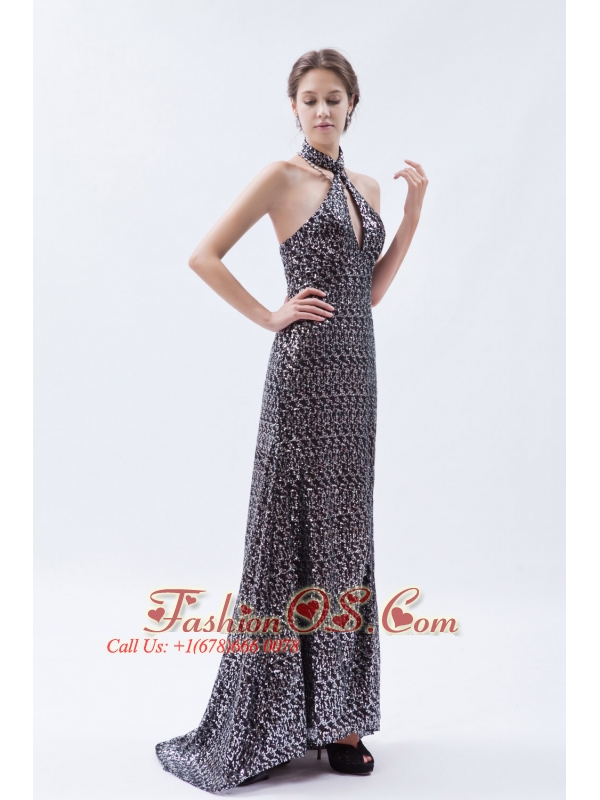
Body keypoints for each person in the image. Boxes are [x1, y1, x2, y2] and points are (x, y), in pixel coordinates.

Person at [155, 48, 428, 792]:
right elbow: (205, 256)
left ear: (352, 104)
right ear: (294, 107)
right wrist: (270, 315)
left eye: (334, 98)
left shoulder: (366, 187)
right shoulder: (282, 177)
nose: (322, 110)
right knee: (291, 534)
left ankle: (341, 719)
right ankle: (274, 718)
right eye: (310, 99)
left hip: (357, 378)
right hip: (303, 378)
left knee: (346, 538)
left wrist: (410, 221)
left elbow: (369, 294)